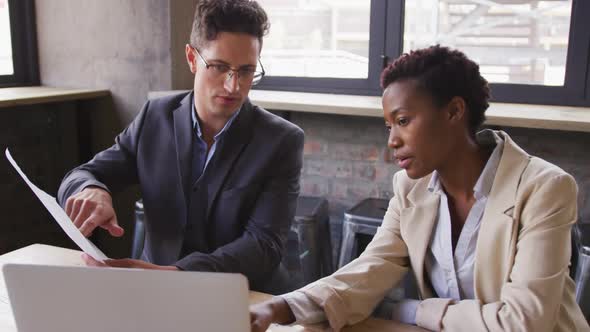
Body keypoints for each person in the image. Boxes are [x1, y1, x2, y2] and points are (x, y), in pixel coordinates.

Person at [250, 45, 589, 331]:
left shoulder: (544, 189)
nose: (392, 141)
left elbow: (523, 322)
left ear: (455, 111)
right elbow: (368, 271)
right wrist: (280, 308)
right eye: (388, 126)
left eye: (403, 121)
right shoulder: (410, 189)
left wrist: (412, 311)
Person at [57, 0, 304, 292]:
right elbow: (82, 174)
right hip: (155, 291)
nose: (233, 86)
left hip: (243, 295)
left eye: (247, 71)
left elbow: (264, 246)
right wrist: (91, 190)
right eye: (219, 67)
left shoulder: (282, 141)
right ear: (191, 57)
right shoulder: (154, 117)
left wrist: (177, 272)